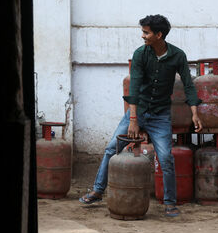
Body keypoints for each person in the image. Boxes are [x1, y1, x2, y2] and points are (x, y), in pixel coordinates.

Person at [80, 14, 202, 217]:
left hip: (161, 115)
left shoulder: (177, 56)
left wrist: (195, 113)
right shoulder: (140, 54)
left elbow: (189, 85)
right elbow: (134, 86)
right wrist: (134, 119)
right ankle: (98, 190)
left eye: (146, 32)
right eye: (143, 32)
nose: (143, 36)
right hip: (138, 111)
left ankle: (170, 203)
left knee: (166, 158)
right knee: (112, 149)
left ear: (159, 34)